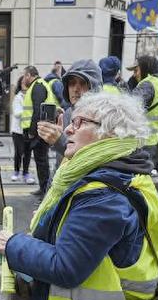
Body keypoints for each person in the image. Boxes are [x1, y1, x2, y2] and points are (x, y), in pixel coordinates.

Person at [0, 92, 158, 300]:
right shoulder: (117, 172)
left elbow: (66, 267)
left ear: (110, 133)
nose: (68, 130)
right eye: (71, 122)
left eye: (79, 123)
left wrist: (12, 244)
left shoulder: (103, 196)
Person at [37, 60, 103, 171]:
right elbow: (60, 162)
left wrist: (58, 141)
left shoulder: (103, 117)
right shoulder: (68, 113)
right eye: (72, 83)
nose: (76, 89)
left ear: (95, 87)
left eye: (82, 83)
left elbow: (90, 160)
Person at [21, 65, 58, 197]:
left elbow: (37, 110)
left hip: (39, 131)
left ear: (29, 75)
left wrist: (32, 131)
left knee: (42, 161)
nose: (23, 78)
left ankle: (45, 190)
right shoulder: (37, 85)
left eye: (24, 75)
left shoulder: (38, 86)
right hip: (39, 130)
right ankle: (43, 188)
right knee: (40, 161)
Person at [126, 56, 158, 159]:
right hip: (151, 140)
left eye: (136, 70)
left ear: (145, 68)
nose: (134, 74)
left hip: (141, 141)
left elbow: (127, 106)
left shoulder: (148, 84)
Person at [10, 76, 33, 183]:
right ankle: (16, 172)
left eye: (26, 83)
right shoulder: (18, 97)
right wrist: (30, 111)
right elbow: (17, 113)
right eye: (23, 83)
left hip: (27, 129)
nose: (25, 85)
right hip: (18, 130)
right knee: (19, 152)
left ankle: (26, 173)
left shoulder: (31, 96)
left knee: (27, 152)